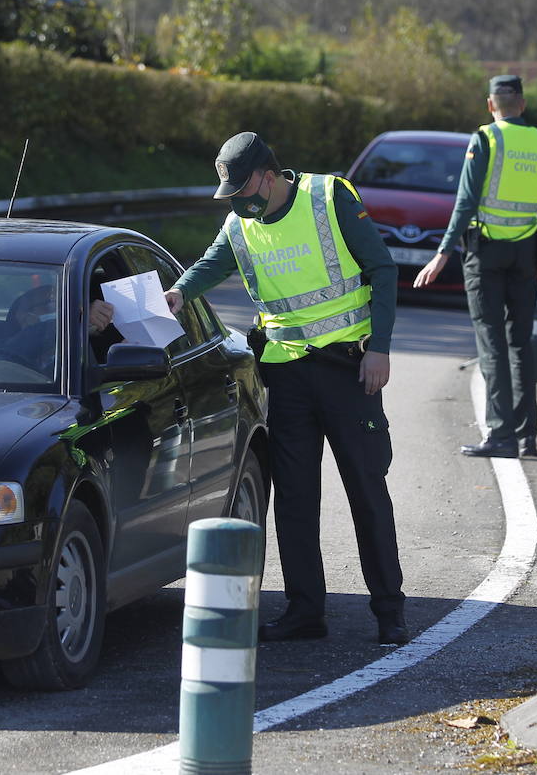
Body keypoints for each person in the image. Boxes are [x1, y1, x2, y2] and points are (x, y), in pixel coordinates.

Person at [163, 131, 408, 646]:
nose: (237, 200)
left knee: (366, 491)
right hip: (287, 375)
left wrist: (380, 348)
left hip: (350, 368)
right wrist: (179, 293)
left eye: (243, 188)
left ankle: (390, 611)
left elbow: (382, 270)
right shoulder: (239, 223)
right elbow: (209, 265)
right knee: (295, 499)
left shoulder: (329, 197)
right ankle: (304, 611)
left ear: (269, 177)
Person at [413, 74, 537, 459]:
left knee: (491, 341)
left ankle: (500, 435)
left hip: (486, 253)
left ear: (490, 104)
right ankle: (527, 435)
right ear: (523, 105)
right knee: (521, 343)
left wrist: (443, 253)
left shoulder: (486, 139)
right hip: (527, 254)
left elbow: (465, 202)